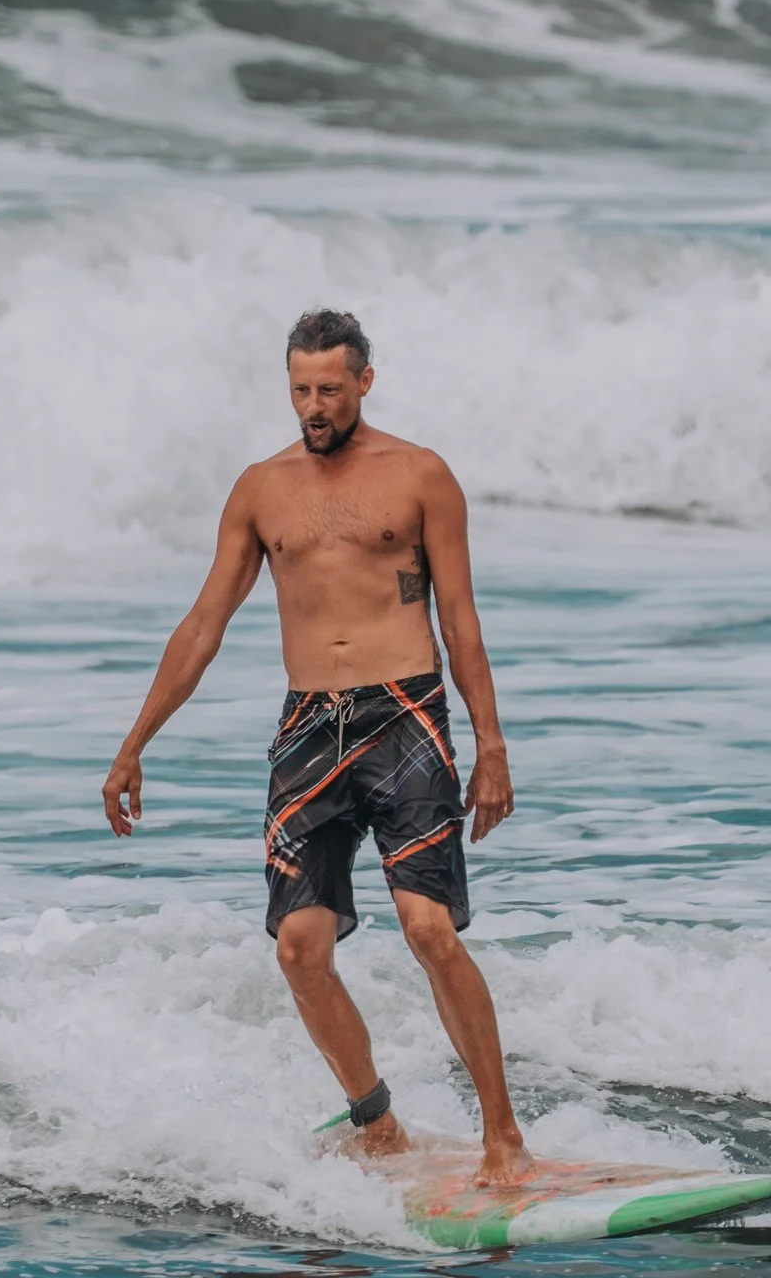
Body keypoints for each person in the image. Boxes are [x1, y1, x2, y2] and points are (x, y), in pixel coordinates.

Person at [102, 310, 531, 1184]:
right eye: (300, 389)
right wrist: (133, 743)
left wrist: (491, 745)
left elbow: (460, 619)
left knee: (429, 931)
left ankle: (503, 1137)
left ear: (364, 381)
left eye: (330, 388)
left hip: (407, 715)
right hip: (308, 729)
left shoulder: (421, 476)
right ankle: (378, 1123)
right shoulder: (261, 489)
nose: (314, 405)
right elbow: (203, 624)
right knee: (299, 949)